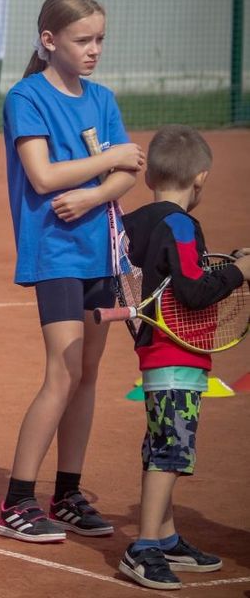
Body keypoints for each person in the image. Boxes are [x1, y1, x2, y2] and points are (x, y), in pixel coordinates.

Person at [0, 0, 145, 542]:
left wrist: (93, 193)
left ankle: (67, 493)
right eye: (83, 39)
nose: (94, 49)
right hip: (55, 253)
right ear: (49, 40)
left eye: (100, 39)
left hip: (102, 253)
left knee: (86, 375)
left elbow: (133, 170)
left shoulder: (101, 98)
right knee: (61, 371)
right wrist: (104, 172)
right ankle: (16, 501)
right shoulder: (26, 97)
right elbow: (42, 176)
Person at [116, 126, 248, 589]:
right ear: (201, 179)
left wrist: (227, 263)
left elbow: (169, 274)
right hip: (179, 357)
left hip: (156, 352)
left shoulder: (136, 222)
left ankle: (166, 537)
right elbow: (193, 291)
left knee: (160, 446)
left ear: (149, 174)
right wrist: (239, 270)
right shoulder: (181, 224)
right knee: (170, 452)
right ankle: (145, 545)